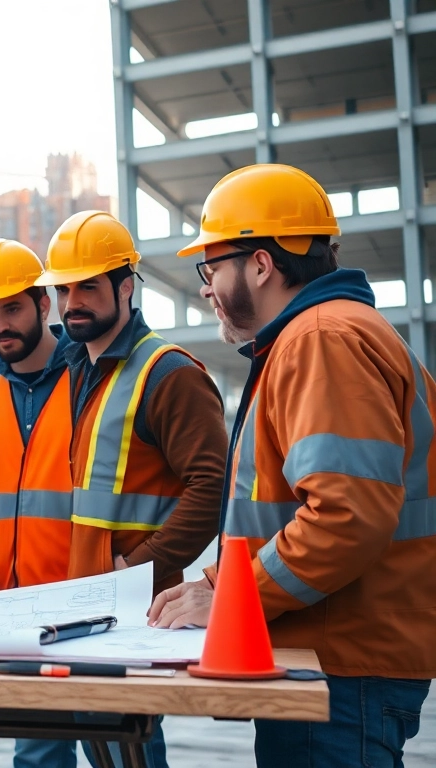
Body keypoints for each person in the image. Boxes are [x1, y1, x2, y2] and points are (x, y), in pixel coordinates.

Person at [151, 163, 436, 766]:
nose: (205, 287)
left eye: (212, 267)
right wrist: (209, 587)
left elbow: (345, 517)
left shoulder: (321, 340)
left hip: (338, 668)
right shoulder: (328, 334)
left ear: (261, 264)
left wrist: (232, 596)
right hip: (338, 656)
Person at [35, 210, 229, 768]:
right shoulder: (79, 369)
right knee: (107, 746)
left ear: (125, 288)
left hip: (132, 612)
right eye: (65, 288)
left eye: (88, 287)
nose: (74, 301)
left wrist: (139, 567)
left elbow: (211, 487)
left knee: (127, 750)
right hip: (83, 606)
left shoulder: (169, 374)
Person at [0, 241, 77, 768]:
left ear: (43, 305)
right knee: (36, 757)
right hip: (16, 611)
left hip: (93, 604)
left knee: (123, 748)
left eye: (12, 308)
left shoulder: (91, 379)